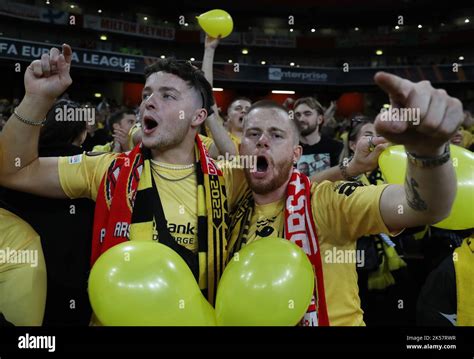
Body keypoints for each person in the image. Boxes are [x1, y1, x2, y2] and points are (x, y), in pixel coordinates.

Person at [0, 44, 238, 312]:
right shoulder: (107, 169)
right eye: (146, 94)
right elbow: (15, 171)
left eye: (168, 96)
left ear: (198, 116)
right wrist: (36, 99)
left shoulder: (228, 180)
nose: (149, 101)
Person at [227, 72, 462, 326]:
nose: (262, 142)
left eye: (276, 135)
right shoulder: (227, 201)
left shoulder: (327, 202)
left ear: (296, 154)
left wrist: (428, 151)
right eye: (252, 134)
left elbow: (425, 207)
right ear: (240, 149)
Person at [0, 99, 95, 326]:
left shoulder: (10, 170)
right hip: (70, 296)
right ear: (82, 135)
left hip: (11, 296)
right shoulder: (92, 174)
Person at [294, 97, 343, 176]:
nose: (301, 119)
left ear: (319, 119)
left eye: (307, 114)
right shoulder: (288, 149)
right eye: (297, 115)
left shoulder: (336, 148)